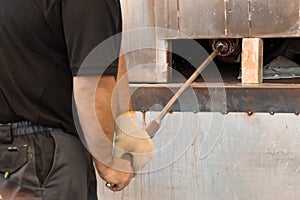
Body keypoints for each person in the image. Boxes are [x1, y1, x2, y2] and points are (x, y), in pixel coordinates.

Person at [0, 0, 154, 199]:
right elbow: (91, 85)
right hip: (47, 153)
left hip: (17, 148)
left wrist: (127, 122)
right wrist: (108, 163)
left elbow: (107, 51)